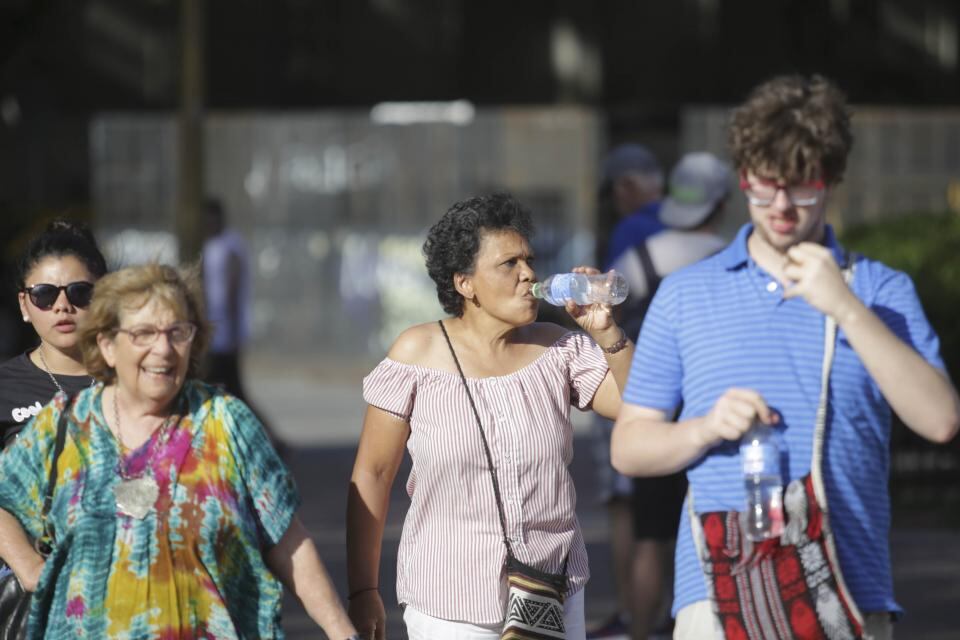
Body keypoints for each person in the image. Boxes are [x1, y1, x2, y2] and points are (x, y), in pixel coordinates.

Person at [611, 74, 960, 640]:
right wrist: (704, 428)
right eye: (764, 185)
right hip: (718, 595)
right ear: (742, 177)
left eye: (800, 187)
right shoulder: (686, 293)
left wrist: (847, 309)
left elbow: (940, 419)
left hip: (848, 593)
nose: (780, 206)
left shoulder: (879, 290)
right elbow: (629, 447)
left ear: (831, 179)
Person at [0, 264, 359, 639]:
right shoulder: (64, 426)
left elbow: (287, 541)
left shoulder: (225, 422)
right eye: (144, 333)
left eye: (177, 332)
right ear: (107, 344)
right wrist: (30, 569)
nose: (163, 349)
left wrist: (343, 633)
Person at [346, 193, 635, 640]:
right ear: (465, 283)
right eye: (508, 264)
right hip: (450, 604)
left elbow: (638, 407)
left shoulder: (559, 349)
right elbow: (373, 475)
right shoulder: (417, 354)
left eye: (529, 260)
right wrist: (363, 590)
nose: (529, 274)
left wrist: (607, 332)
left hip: (550, 592)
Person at [606, 152, 731, 640]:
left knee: (650, 534)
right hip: (719, 410)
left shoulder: (642, 257)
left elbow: (605, 310)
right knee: (710, 524)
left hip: (653, 408)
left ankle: (640, 630)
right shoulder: (733, 256)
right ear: (722, 203)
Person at [588, 143, 666, 640]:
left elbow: (607, 302)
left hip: (632, 374)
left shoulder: (632, 230)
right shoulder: (691, 229)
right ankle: (669, 612)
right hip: (683, 387)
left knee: (626, 506)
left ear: (625, 188)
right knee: (668, 508)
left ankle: (630, 614)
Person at [0, 220, 108, 450]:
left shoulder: (131, 378)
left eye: (80, 292)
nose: (62, 306)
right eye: (44, 294)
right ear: (24, 305)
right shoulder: (5, 386)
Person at [202, 197, 253, 401]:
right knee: (229, 387)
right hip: (215, 327)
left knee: (227, 387)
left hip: (226, 330)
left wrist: (232, 331)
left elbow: (233, 287)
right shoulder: (209, 244)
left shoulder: (230, 245)